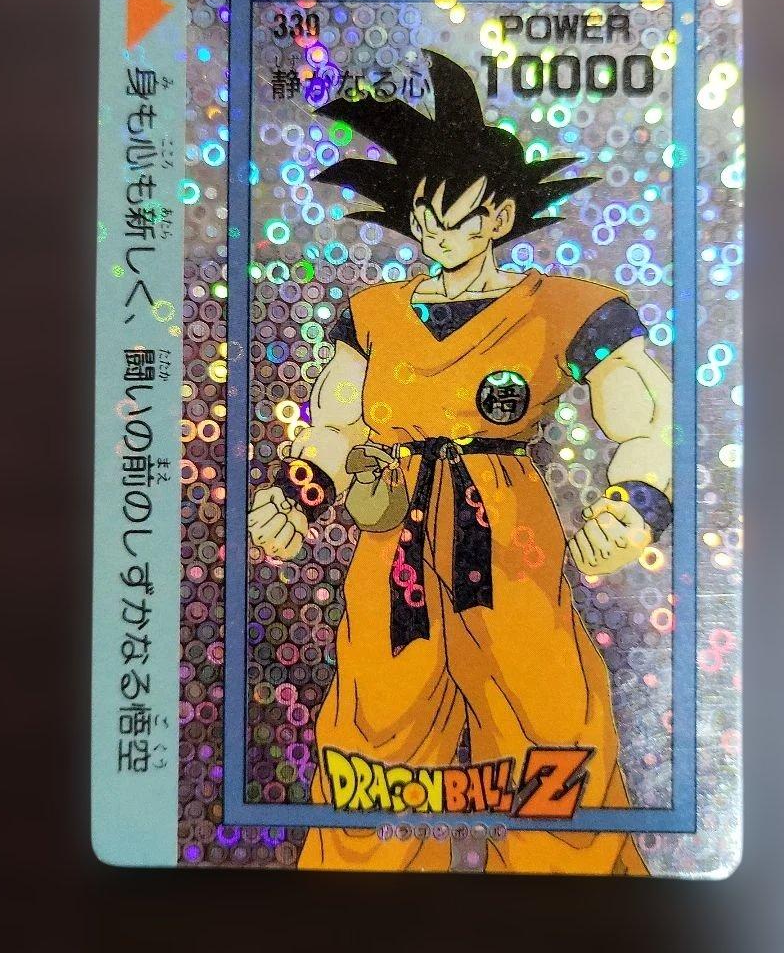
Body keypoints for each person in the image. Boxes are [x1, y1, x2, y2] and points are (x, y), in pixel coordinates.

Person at [249, 50, 672, 874]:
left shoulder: (560, 307)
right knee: (374, 732)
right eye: (425, 216)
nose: (438, 234)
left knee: (551, 725)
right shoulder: (374, 315)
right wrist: (296, 496)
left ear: (500, 214)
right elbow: (334, 426)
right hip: (393, 547)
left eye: (458, 216)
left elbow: (647, 415)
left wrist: (636, 504)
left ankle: (578, 907)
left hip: (510, 546)